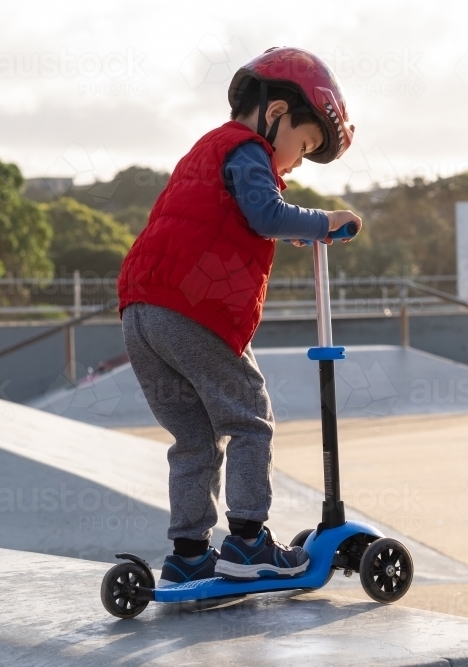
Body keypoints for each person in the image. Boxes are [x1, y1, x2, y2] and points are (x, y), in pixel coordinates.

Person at [116, 47, 361, 586]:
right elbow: (264, 212)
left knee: (195, 438)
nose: (296, 161)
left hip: (141, 310)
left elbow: (233, 214)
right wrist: (322, 222)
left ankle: (188, 552)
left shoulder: (208, 150)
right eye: (303, 144)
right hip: (193, 309)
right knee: (250, 421)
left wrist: (290, 225)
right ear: (275, 113)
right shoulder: (248, 150)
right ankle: (249, 543)